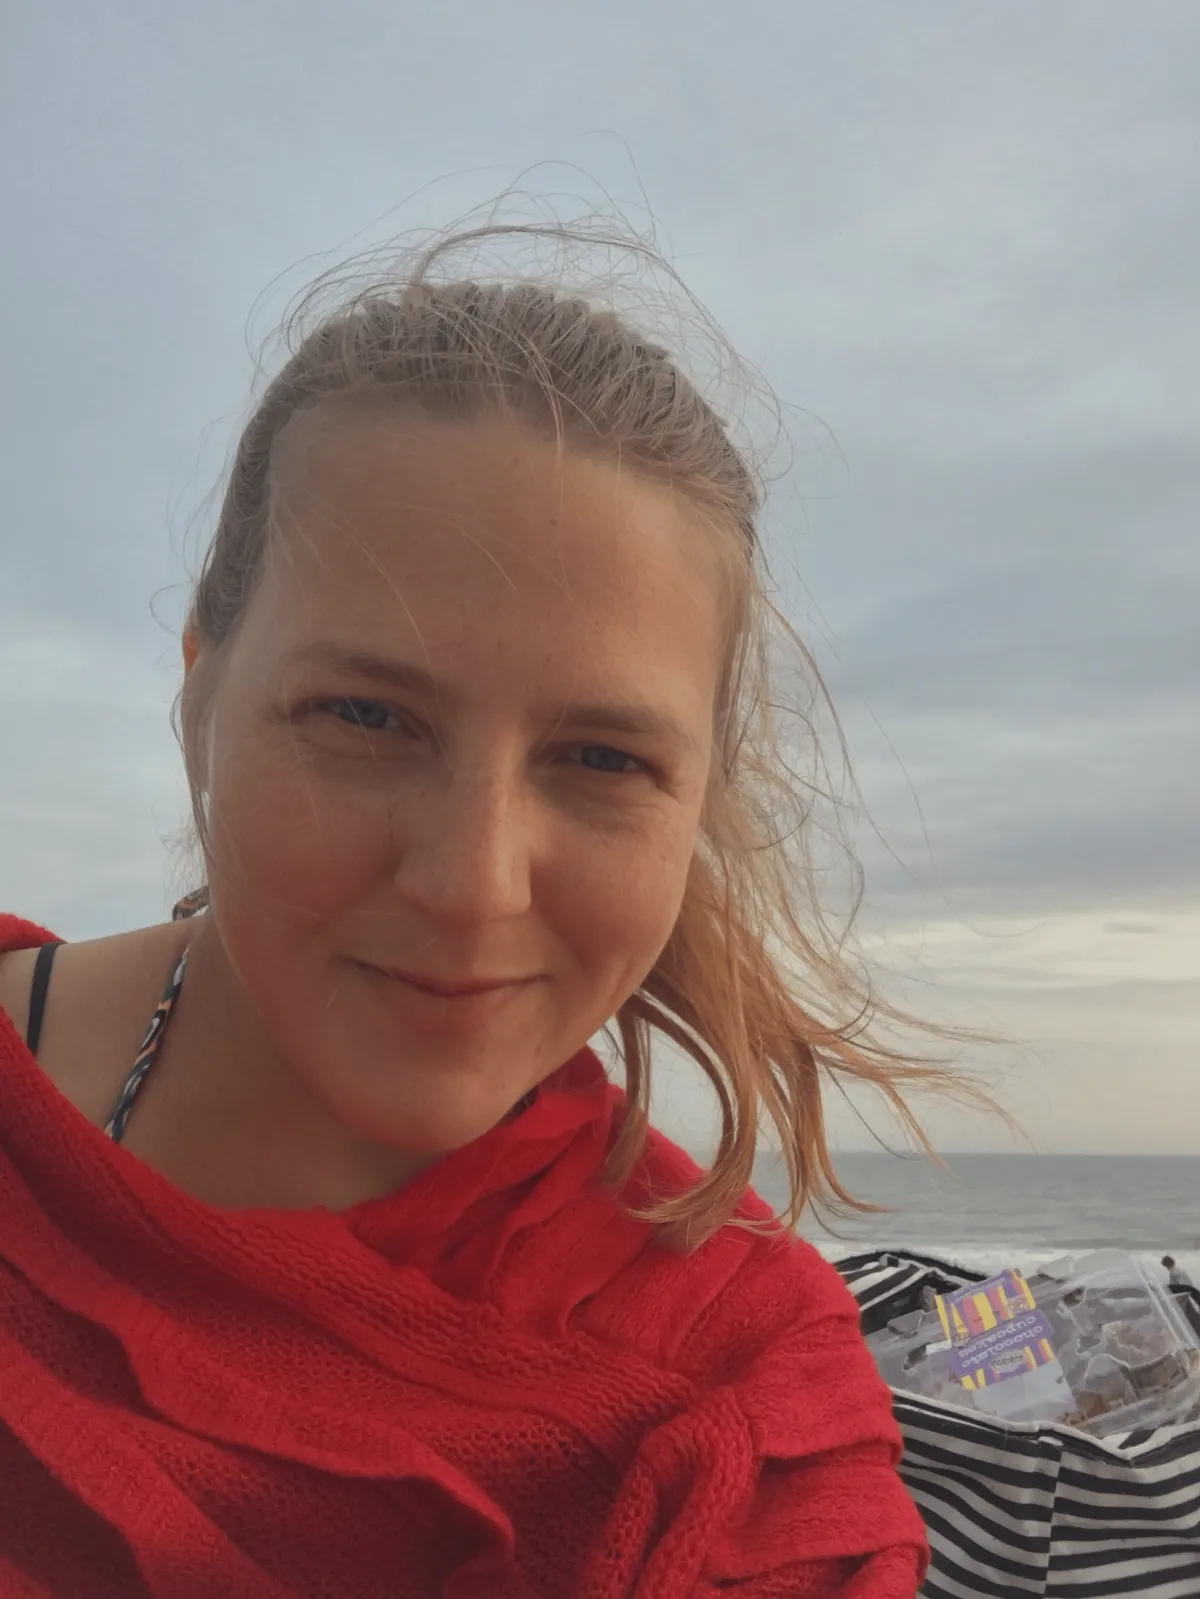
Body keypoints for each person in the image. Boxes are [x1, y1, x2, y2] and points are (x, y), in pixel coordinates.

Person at [0, 223, 946, 1597]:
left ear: (698, 797)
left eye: (601, 758)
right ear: (200, 692)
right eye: (364, 716)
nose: (471, 884)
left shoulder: (732, 1398)